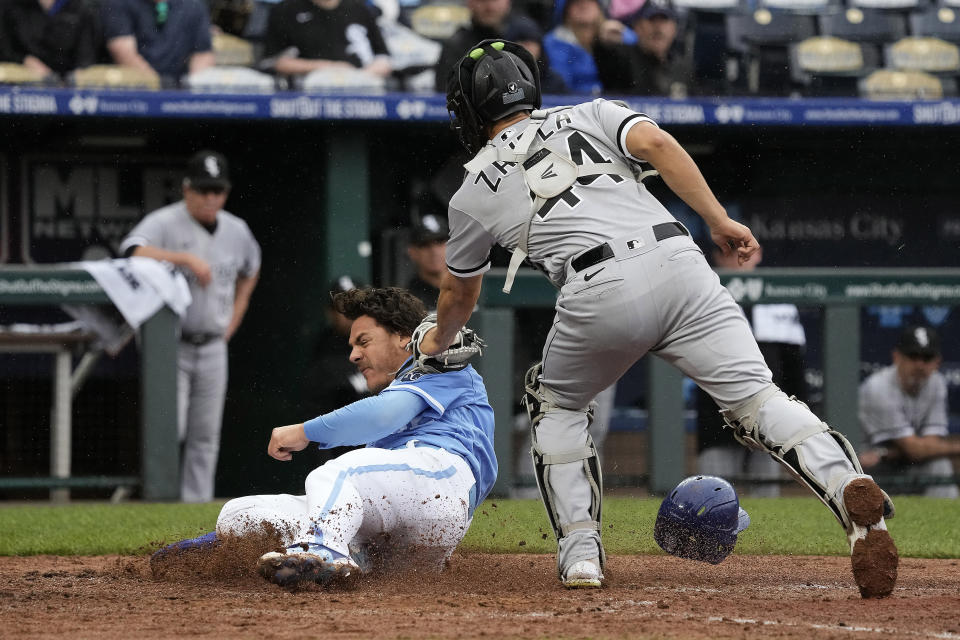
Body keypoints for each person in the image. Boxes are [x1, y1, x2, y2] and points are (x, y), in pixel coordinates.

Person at [424, 39, 898, 597]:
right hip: (680, 261)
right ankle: (848, 486)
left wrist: (438, 339)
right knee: (759, 401)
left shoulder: (471, 189)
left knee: (557, 405)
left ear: (472, 108)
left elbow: (458, 293)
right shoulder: (589, 112)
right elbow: (656, 142)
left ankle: (580, 553)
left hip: (595, 286)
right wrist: (718, 220)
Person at [153, 287, 496, 588]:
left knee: (337, 473)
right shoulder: (397, 396)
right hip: (398, 539)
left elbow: (383, 414)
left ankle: (323, 552)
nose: (354, 355)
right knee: (239, 512)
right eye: (351, 345)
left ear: (404, 336)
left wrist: (304, 432)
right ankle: (338, 556)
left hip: (441, 484)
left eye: (364, 341)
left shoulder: (441, 367)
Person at [120, 150, 261, 503]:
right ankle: (159, 501)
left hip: (214, 343)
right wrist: (182, 257)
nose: (210, 198)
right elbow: (132, 252)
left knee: (205, 433)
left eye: (217, 190)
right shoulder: (165, 222)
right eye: (202, 190)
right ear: (186, 189)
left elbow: (251, 269)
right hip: (170, 344)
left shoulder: (237, 230)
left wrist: (236, 315)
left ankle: (194, 505)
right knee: (170, 429)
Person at [697, 245, 807, 498]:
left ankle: (763, 540)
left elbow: (793, 370)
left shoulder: (779, 300)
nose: (736, 258)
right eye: (728, 251)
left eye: (744, 251)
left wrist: (796, 419)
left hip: (770, 420)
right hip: (719, 422)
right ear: (716, 256)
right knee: (714, 498)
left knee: (766, 498)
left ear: (758, 254)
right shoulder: (703, 293)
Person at [859, 325, 960, 498]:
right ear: (897, 357)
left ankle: (943, 518)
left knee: (939, 462)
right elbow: (916, 450)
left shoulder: (936, 383)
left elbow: (928, 444)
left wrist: (917, 448)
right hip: (868, 468)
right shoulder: (878, 387)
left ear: (937, 362)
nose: (920, 364)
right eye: (913, 356)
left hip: (898, 459)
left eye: (927, 358)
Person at [262, 0, 392, 81]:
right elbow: (275, 62)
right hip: (306, 94)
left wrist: (358, 77)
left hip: (361, 90)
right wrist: (329, 68)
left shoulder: (360, 8)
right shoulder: (285, 10)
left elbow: (383, 59)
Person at [434, 0, 542, 93]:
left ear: (508, 2)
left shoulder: (527, 35)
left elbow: (548, 84)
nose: (490, 7)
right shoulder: (456, 45)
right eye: (483, 0)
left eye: (495, 0)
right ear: (469, 2)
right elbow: (447, 95)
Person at [101, 0, 216, 83]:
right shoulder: (117, 3)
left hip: (180, 89)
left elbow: (203, 54)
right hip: (133, 91)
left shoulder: (194, 5)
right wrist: (159, 88)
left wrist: (193, 90)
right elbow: (124, 54)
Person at [542, 0, 631, 95]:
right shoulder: (554, 42)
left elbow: (636, 72)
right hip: (575, 104)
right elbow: (561, 87)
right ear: (565, 10)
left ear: (599, 7)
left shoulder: (618, 33)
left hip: (619, 102)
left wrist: (617, 43)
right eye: (576, 2)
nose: (584, 5)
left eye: (590, 1)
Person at [0, 0, 100, 79]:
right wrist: (24, 60)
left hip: (66, 85)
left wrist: (74, 77)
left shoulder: (80, 8)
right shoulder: (10, 5)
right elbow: (5, 47)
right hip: (20, 81)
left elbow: (86, 57)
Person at [616, 0, 694, 97]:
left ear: (675, 28)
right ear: (637, 26)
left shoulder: (683, 68)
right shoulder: (622, 59)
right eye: (651, 19)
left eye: (664, 20)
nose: (658, 27)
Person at [405, 214, 448, 310]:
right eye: (424, 244)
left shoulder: (473, 285)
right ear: (412, 252)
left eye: (440, 241)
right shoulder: (407, 300)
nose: (434, 251)